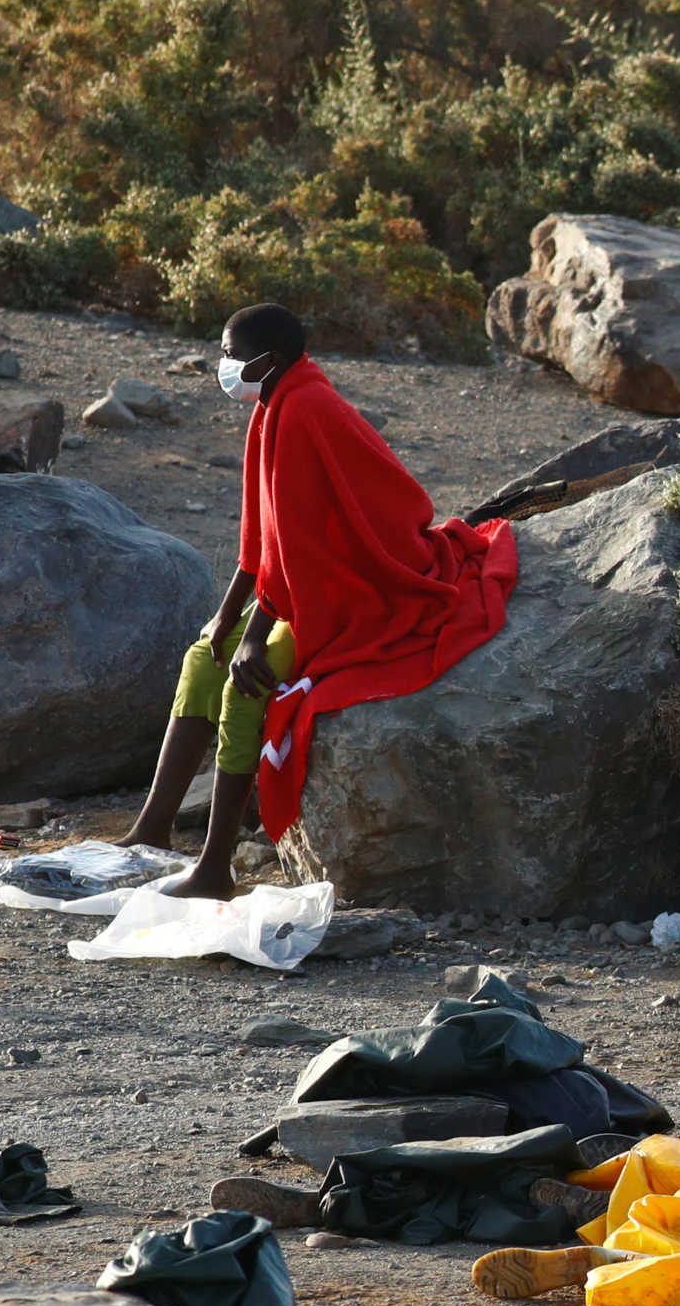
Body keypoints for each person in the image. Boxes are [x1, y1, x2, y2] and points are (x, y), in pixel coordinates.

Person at [117, 302, 518, 899]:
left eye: (231, 355)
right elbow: (264, 539)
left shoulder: (303, 410)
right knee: (204, 656)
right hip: (310, 582)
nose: (223, 366)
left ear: (269, 360)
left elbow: (299, 544)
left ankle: (215, 869)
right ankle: (152, 830)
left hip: (357, 591)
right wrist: (226, 621)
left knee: (245, 683)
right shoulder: (274, 402)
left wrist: (255, 636)